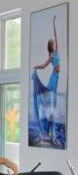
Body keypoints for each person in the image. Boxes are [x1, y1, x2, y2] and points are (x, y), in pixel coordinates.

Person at [32, 14, 62, 145]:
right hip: (53, 78)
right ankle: (48, 131)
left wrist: (54, 23)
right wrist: (36, 67)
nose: (54, 42)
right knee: (51, 103)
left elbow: (56, 35)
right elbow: (44, 66)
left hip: (56, 77)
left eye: (53, 42)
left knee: (52, 103)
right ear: (51, 46)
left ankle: (50, 132)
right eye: (52, 43)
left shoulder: (57, 52)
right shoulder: (51, 56)